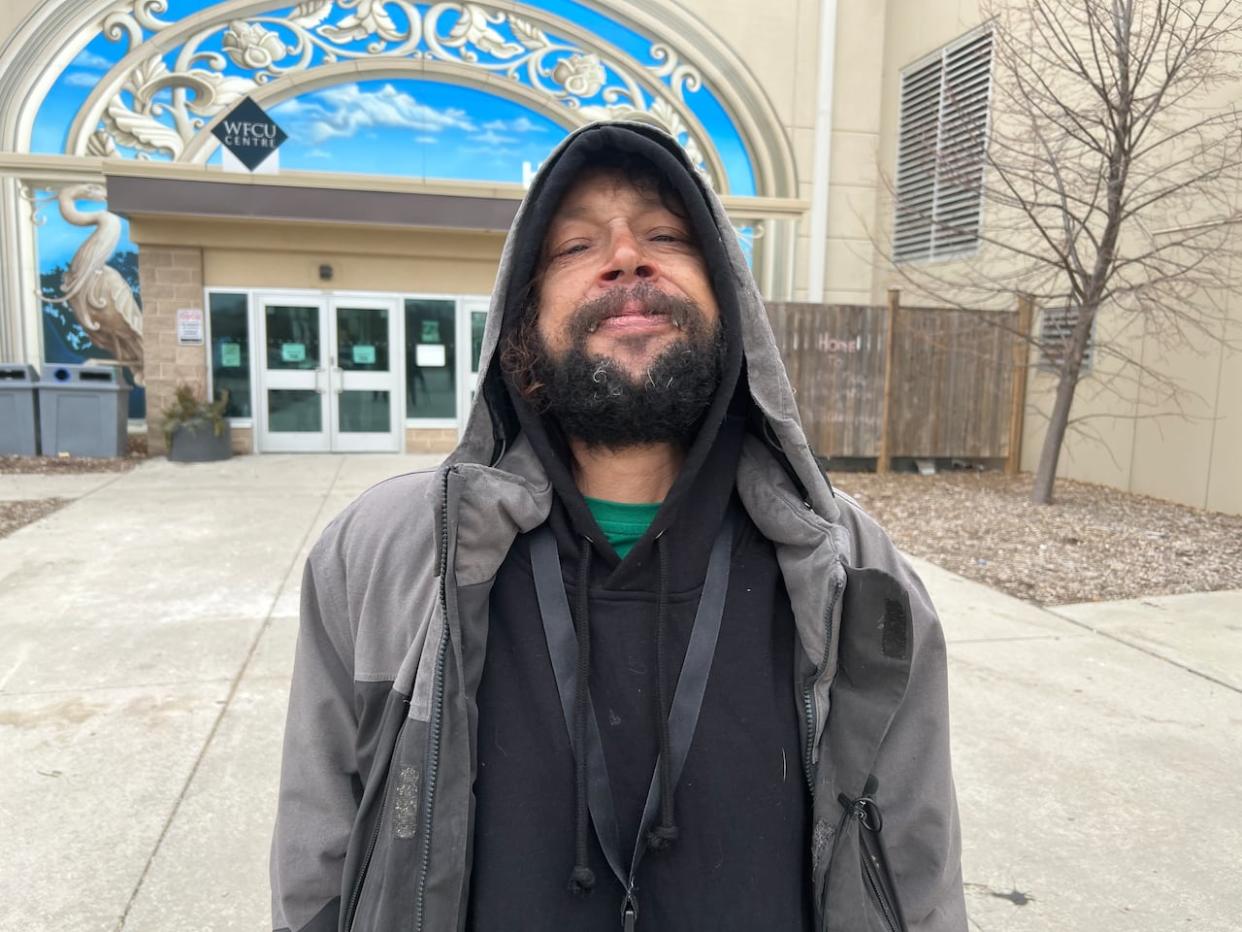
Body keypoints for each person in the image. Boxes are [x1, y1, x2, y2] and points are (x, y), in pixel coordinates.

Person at [270, 121, 966, 932]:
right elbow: (317, 862)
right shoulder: (385, 554)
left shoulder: (853, 572)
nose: (627, 256)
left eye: (667, 234)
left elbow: (917, 870)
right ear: (520, 321)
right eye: (573, 247)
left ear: (730, 299)